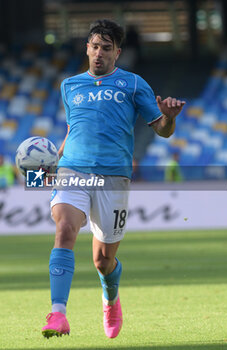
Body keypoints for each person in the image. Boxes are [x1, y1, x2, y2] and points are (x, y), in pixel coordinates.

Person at [42, 19, 185, 339]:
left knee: (103, 260)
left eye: (106, 48)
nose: (99, 54)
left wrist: (169, 118)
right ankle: (58, 314)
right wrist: (53, 163)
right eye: (94, 47)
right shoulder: (70, 86)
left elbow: (161, 129)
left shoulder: (134, 85)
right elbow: (73, 129)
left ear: (117, 53)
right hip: (73, 170)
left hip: (113, 178)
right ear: (87, 49)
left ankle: (110, 297)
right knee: (64, 228)